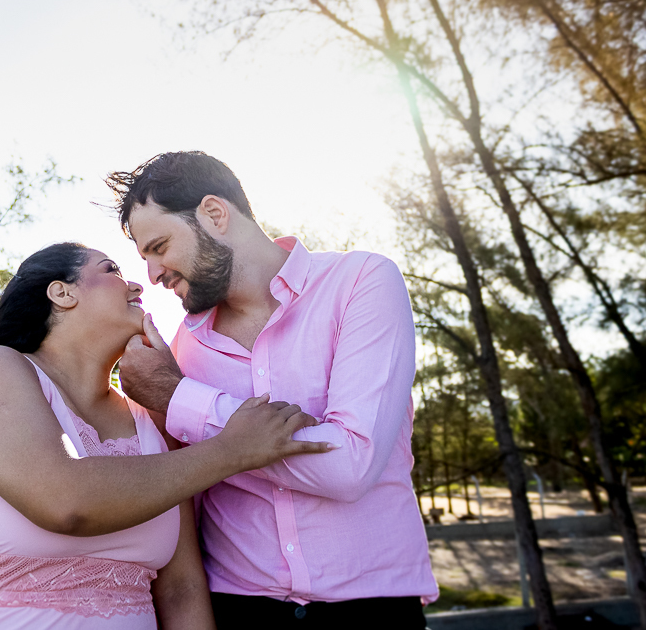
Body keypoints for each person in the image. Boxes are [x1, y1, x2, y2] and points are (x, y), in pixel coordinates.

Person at [0, 242, 338, 630]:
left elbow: (181, 589)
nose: (138, 286)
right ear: (62, 292)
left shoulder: (150, 422)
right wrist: (232, 449)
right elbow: (66, 502)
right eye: (111, 269)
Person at [108, 152, 439, 628]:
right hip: (239, 611)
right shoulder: (178, 350)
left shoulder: (362, 282)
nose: (154, 274)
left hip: (372, 611)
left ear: (214, 214)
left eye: (159, 246)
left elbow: (349, 464)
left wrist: (179, 399)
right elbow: (183, 492)